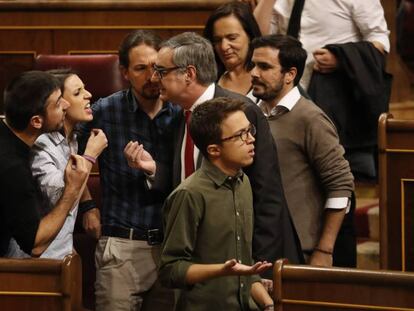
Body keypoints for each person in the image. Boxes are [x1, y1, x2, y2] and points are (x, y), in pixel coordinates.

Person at [126, 32, 303, 280]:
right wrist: (154, 169)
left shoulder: (239, 112)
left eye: (162, 71)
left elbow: (267, 194)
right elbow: (188, 179)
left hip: (242, 261)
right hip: (199, 259)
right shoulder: (179, 115)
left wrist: (260, 267)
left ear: (188, 74)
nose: (155, 78)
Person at [78, 30, 180, 311]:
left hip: (172, 246)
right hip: (122, 244)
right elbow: (69, 154)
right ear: (124, 72)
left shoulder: (181, 111)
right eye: (140, 68)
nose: (152, 76)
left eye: (156, 67)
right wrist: (87, 205)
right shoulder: (105, 110)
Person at [248, 0, 391, 180]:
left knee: (336, 175)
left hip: (336, 102)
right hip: (287, 97)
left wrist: (340, 58)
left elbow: (380, 41)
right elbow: (258, 39)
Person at [159, 97, 274, 311]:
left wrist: (268, 305)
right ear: (214, 150)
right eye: (241, 135)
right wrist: (222, 270)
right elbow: (170, 270)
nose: (251, 140)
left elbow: (245, 266)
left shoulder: (243, 182)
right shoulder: (189, 194)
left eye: (250, 131)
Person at [250, 34, 354, 266]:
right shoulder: (249, 113)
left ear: (290, 74)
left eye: (264, 67)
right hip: (258, 242)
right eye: (253, 65)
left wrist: (324, 250)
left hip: (299, 248)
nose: (254, 73)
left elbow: (340, 186)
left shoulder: (310, 118)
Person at [0, 70, 90, 258]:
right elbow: (35, 245)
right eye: (58, 103)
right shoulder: (12, 168)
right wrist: (72, 190)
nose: (65, 105)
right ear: (36, 121)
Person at [30, 69, 108, 259]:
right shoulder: (41, 144)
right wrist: (90, 155)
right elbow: (61, 197)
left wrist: (88, 205)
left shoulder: (71, 138)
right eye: (77, 92)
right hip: (36, 259)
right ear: (60, 104)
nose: (88, 95)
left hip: (61, 252)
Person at [203, 1, 262, 101]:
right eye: (217, 40)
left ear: (250, 36)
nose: (223, 47)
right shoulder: (206, 81)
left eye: (232, 38)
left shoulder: (266, 76)